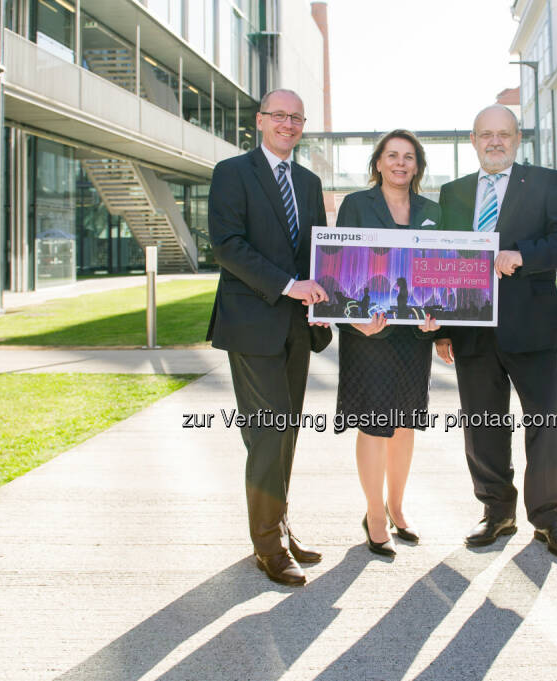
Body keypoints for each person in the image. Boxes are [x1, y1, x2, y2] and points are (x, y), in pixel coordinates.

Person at [435, 105, 557, 558]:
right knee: (483, 425)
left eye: (503, 134)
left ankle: (549, 518)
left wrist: (522, 255)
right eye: (485, 135)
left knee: (543, 422)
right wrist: (442, 329)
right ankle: (496, 512)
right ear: (474, 141)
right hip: (472, 329)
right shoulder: (453, 192)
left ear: (517, 139)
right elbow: (443, 260)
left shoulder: (544, 182)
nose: (494, 141)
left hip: (532, 324)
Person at [206, 88, 332, 586]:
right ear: (259, 121)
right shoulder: (231, 173)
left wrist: (325, 304)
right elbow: (227, 245)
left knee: (286, 432)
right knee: (270, 430)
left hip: (298, 328)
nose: (288, 124)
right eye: (278, 115)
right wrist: (287, 286)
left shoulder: (308, 180)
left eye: (296, 118)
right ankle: (268, 547)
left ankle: (278, 524)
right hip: (251, 323)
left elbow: (317, 254)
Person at [334, 129, 441, 557]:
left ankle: (397, 508)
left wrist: (443, 320)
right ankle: (374, 513)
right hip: (369, 336)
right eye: (392, 155)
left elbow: (441, 268)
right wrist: (353, 323)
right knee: (374, 424)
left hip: (413, 337)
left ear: (417, 166)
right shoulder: (357, 205)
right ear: (378, 162)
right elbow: (340, 268)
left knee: (404, 422)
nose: (401, 163)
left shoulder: (433, 210)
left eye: (409, 157)